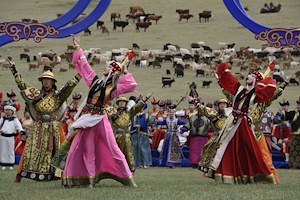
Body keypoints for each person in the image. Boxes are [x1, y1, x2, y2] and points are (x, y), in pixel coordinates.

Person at [54, 34, 139, 188]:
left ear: (112, 72)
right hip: (88, 118)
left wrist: (125, 71)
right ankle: (89, 179)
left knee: (113, 148)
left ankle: (127, 177)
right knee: (87, 148)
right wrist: (77, 47)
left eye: (108, 67)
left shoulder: (113, 89)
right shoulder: (94, 81)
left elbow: (132, 85)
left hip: (101, 119)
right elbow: (85, 66)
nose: (105, 68)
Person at [7, 58, 81, 182]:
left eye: (48, 80)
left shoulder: (58, 96)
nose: (46, 82)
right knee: (32, 150)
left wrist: (80, 73)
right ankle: (25, 173)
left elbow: (69, 87)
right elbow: (22, 84)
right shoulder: (35, 94)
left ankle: (57, 174)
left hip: (53, 127)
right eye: (44, 80)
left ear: (52, 82)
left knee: (55, 151)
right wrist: (14, 69)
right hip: (39, 127)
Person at [209, 61, 277, 184]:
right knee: (227, 147)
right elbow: (228, 79)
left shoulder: (257, 95)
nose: (248, 76)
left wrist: (267, 73)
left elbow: (270, 89)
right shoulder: (239, 88)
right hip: (232, 121)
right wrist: (222, 63)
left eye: (252, 76)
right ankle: (225, 174)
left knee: (248, 150)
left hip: (243, 123)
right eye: (249, 75)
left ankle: (258, 175)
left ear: (256, 81)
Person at [111, 94, 151, 172]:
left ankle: (131, 165)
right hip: (115, 135)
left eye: (123, 102)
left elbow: (137, 107)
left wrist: (144, 99)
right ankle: (114, 166)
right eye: (120, 102)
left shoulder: (129, 112)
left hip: (125, 135)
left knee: (128, 150)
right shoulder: (114, 113)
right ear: (118, 103)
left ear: (126, 103)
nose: (122, 103)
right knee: (115, 151)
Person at [196, 98, 232, 173]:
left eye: (224, 104)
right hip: (217, 137)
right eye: (221, 104)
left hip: (228, 138)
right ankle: (209, 169)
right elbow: (204, 110)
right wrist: (196, 103)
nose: (222, 105)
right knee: (208, 148)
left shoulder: (231, 115)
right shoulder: (214, 114)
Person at [184, 100, 211, 168]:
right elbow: (188, 125)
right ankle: (194, 164)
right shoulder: (192, 117)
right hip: (194, 137)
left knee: (202, 151)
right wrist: (182, 130)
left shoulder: (207, 118)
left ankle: (202, 163)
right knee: (194, 152)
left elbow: (211, 127)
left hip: (203, 137)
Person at [0, 105, 25, 170]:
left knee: (10, 150)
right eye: (6, 110)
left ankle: (11, 163)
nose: (8, 112)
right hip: (3, 136)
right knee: (3, 150)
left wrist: (21, 130)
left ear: (12, 112)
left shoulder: (14, 119)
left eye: (9, 111)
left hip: (11, 137)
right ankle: (3, 163)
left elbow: (18, 126)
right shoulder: (3, 119)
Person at [130, 102, 152, 169]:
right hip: (135, 133)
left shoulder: (146, 115)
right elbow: (130, 124)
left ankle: (145, 163)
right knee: (135, 149)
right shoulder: (133, 116)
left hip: (143, 134)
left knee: (144, 149)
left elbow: (152, 121)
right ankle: (136, 163)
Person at [281, 97, 300, 169]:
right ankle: (293, 167)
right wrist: (283, 111)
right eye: (298, 104)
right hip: (295, 136)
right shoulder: (293, 114)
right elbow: (281, 117)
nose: (298, 106)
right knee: (294, 152)